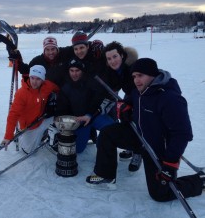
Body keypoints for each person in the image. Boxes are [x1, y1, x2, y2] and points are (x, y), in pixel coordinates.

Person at [86, 58, 205, 202]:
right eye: (134, 76)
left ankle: (201, 180)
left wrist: (171, 163)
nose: (136, 80)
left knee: (160, 194)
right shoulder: (138, 91)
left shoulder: (170, 99)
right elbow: (129, 103)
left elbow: (182, 134)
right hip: (140, 136)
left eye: (140, 75)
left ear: (152, 75)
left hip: (157, 149)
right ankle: (105, 175)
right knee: (107, 134)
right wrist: (124, 108)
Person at [56, 58, 114, 153]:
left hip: (93, 116)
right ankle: (89, 133)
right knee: (78, 149)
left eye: (77, 70)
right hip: (79, 122)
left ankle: (101, 145)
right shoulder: (65, 89)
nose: (74, 74)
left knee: (112, 127)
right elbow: (62, 109)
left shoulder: (91, 83)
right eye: (72, 70)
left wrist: (90, 114)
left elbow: (98, 100)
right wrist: (72, 121)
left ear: (82, 71)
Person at [101, 41, 141, 172]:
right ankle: (130, 147)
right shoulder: (114, 71)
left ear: (122, 56)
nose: (112, 61)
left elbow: (138, 90)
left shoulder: (132, 69)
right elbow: (114, 87)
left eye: (115, 56)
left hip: (141, 98)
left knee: (138, 123)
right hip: (130, 96)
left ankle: (138, 152)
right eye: (109, 58)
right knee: (125, 120)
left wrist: (132, 106)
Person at [1, 65, 59, 154]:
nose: (34, 82)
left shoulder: (47, 85)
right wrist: (8, 136)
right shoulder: (22, 93)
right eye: (32, 78)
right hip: (30, 126)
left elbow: (57, 90)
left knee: (61, 119)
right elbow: (13, 114)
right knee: (28, 150)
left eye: (38, 79)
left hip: (43, 118)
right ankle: (21, 134)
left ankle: (46, 133)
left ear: (43, 79)